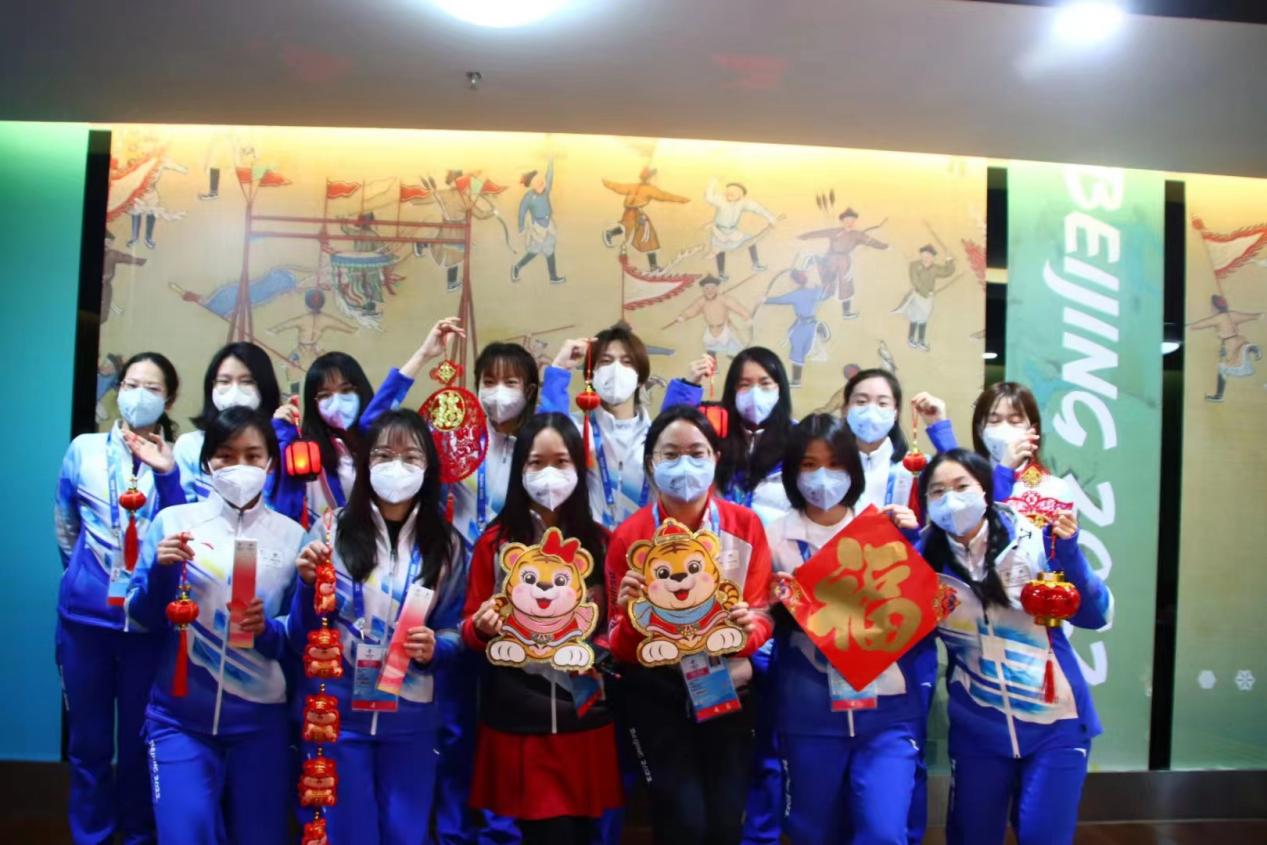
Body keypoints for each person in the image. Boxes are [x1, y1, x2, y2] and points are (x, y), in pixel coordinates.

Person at [288, 410, 469, 844]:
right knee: (349, 834)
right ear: (366, 463)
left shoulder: (446, 545)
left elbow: (454, 627)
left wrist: (437, 647)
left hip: (411, 717)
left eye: (411, 456)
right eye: (384, 455)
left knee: (406, 833)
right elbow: (298, 635)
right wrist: (306, 587)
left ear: (427, 467)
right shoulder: (329, 531)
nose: (397, 465)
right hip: (338, 716)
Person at [127, 407, 306, 845]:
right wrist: (161, 575)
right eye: (226, 454)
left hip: (260, 722)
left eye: (252, 455)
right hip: (179, 719)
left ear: (270, 463)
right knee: (184, 834)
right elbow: (139, 617)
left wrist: (267, 630)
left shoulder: (293, 537)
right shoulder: (173, 523)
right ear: (208, 461)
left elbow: (298, 640)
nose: (239, 465)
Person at [917, 449, 1111, 845]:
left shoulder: (1033, 540)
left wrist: (1069, 553)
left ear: (986, 490)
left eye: (961, 486)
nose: (951, 499)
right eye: (937, 491)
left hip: (1057, 723)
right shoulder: (922, 563)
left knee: (1044, 836)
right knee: (972, 836)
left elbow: (1095, 615)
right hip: (978, 727)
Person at [606, 405, 773, 845]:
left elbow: (761, 616)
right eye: (671, 454)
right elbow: (618, 644)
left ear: (715, 458)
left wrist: (747, 629)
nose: (685, 464)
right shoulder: (630, 537)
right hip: (655, 693)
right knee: (682, 823)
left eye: (697, 453)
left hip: (726, 686)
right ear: (651, 463)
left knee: (724, 825)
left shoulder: (744, 526)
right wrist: (631, 617)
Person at [767, 414, 932, 845]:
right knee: (812, 833)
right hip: (809, 713)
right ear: (792, 471)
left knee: (884, 831)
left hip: (887, 712)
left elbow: (917, 614)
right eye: (809, 464)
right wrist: (773, 608)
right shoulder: (774, 538)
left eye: (835, 463)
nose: (822, 476)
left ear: (853, 469)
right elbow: (761, 620)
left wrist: (912, 547)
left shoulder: (880, 530)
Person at [462, 413, 622, 844]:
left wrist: (597, 651)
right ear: (520, 469)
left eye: (561, 461)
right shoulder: (495, 543)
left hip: (585, 716)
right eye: (536, 462)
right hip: (519, 720)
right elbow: (469, 629)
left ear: (579, 468)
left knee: (584, 833)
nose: (549, 473)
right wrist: (483, 627)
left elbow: (617, 627)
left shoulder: (602, 543)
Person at [55, 352, 186, 845]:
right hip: (85, 622)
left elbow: (183, 529)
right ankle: (91, 833)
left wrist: (167, 475)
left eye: (152, 388)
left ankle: (137, 833)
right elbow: (65, 524)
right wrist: (86, 578)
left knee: (138, 741)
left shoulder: (179, 458)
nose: (138, 395)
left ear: (168, 399)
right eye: (131, 384)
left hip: (147, 625)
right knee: (87, 741)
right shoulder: (84, 449)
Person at [271, 318, 463, 525]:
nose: (337, 401)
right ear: (313, 403)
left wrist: (424, 354)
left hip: (385, 536)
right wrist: (282, 432)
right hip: (324, 540)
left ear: (360, 390)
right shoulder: (306, 451)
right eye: (325, 395)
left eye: (346, 390)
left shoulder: (376, 437)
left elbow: (387, 398)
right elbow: (284, 501)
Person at [539, 326, 703, 529]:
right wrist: (559, 368)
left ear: (640, 378)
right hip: (588, 542)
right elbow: (545, 437)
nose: (616, 370)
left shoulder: (657, 436)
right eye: (605, 361)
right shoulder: (576, 429)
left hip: (647, 543)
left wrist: (688, 388)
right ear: (591, 375)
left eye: (627, 362)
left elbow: (675, 424)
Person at [173, 342, 282, 502]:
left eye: (247, 381)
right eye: (224, 381)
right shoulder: (189, 445)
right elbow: (178, 509)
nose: (234, 390)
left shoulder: (280, 443)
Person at [843, 368, 957, 516]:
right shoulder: (830, 467)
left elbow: (958, 477)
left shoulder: (916, 468)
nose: (871, 411)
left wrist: (939, 425)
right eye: (861, 402)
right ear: (846, 409)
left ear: (895, 413)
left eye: (882, 403)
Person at [969, 381, 1075, 512]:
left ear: (1033, 430)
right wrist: (1004, 470)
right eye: (994, 421)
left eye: (1015, 421)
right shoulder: (965, 483)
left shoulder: (1055, 489)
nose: (1004, 429)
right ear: (980, 430)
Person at [797, 208, 888, 320]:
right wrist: (804, 236)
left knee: (846, 285)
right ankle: (810, 263)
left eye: (852, 220)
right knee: (826, 280)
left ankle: (846, 313)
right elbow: (819, 233)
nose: (850, 223)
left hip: (844, 262)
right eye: (847, 220)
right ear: (842, 221)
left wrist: (885, 246)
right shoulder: (835, 231)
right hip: (830, 259)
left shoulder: (857, 234)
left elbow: (872, 241)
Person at [601, 167, 690, 271]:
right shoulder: (648, 189)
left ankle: (653, 266)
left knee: (640, 233)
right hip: (634, 213)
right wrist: (683, 200)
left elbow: (617, 186)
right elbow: (665, 196)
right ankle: (653, 266)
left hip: (633, 213)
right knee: (644, 235)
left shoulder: (635, 186)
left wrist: (606, 182)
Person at [763, 269, 832, 387]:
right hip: (808, 325)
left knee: (797, 351)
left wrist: (765, 300)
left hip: (804, 327)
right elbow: (826, 294)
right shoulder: (815, 291)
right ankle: (796, 380)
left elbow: (780, 300)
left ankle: (796, 381)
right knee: (799, 349)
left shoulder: (799, 294)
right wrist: (819, 286)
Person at [704, 180, 778, 281]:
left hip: (733, 232)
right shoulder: (721, 200)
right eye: (728, 190)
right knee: (720, 250)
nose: (730, 193)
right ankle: (721, 274)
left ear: (741, 195)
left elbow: (759, 209)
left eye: (734, 191)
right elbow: (709, 197)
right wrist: (712, 184)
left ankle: (756, 265)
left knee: (751, 241)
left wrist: (771, 218)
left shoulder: (743, 203)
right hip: (719, 232)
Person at [666, 275, 753, 359]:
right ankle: (713, 365)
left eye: (712, 288)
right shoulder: (701, 301)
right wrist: (683, 317)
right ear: (703, 289)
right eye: (707, 288)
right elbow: (693, 309)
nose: (710, 291)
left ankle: (737, 360)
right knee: (710, 351)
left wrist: (747, 317)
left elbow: (737, 307)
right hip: (711, 330)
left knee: (735, 352)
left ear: (717, 288)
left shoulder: (724, 299)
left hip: (724, 329)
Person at [893, 244, 955, 352]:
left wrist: (949, 260)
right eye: (923, 256)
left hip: (928, 299)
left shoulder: (935, 268)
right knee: (914, 317)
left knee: (924, 319)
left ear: (933, 257)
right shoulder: (914, 265)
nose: (925, 258)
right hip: (917, 296)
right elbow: (915, 281)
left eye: (928, 256)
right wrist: (926, 292)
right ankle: (911, 338)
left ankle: (921, 340)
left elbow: (947, 272)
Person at [513, 161, 566, 285]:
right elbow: (522, 212)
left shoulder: (546, 191)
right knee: (534, 250)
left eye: (541, 180)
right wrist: (521, 227)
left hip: (549, 225)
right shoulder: (529, 197)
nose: (541, 183)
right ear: (532, 185)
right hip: (538, 228)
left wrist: (550, 164)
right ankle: (517, 267)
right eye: (537, 182)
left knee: (550, 249)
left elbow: (549, 177)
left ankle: (553, 277)